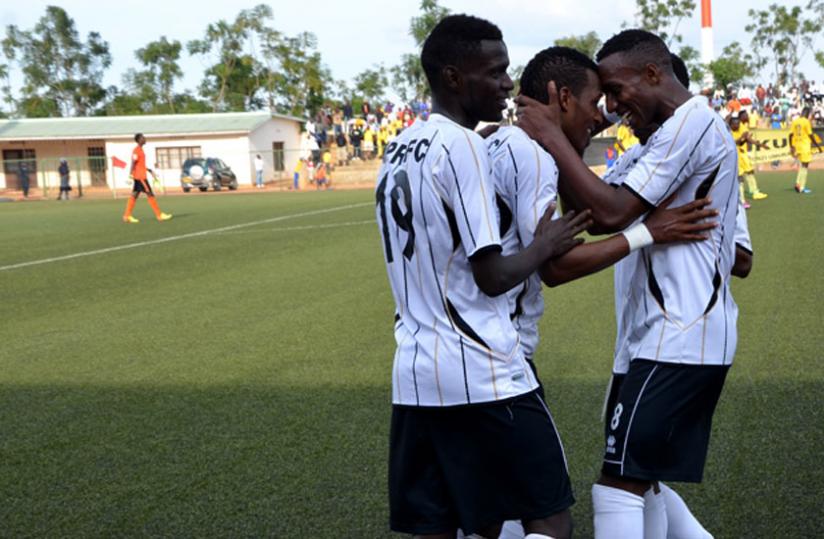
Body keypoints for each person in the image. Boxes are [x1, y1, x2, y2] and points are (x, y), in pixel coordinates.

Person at [378, 15, 596, 539]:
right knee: (550, 518)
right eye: (495, 72)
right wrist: (545, 245)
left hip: (414, 373)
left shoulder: (397, 148)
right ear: (454, 78)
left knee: (439, 525)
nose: (507, 83)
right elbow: (493, 276)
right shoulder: (465, 146)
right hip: (482, 368)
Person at [517, 29, 739, 538]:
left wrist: (552, 136)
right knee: (644, 484)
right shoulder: (655, 144)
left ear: (653, 74)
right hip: (651, 338)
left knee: (616, 489)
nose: (612, 108)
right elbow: (596, 213)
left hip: (683, 333)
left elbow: (615, 212)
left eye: (616, 91)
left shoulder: (694, 122)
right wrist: (561, 143)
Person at [122, 133, 172, 223]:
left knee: (134, 194)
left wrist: (149, 170)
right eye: (143, 138)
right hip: (140, 177)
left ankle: (127, 216)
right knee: (150, 194)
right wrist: (130, 175)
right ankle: (159, 215)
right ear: (139, 140)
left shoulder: (141, 150)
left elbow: (139, 164)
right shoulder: (136, 150)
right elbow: (133, 162)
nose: (145, 139)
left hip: (140, 176)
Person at [729, 112, 767, 207]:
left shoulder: (741, 128)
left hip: (742, 154)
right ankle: (742, 200)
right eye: (745, 115)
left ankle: (754, 192)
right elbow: (734, 142)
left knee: (749, 172)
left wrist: (758, 144)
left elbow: (743, 141)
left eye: (738, 124)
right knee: (740, 178)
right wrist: (743, 137)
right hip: (735, 157)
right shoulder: (729, 132)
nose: (737, 125)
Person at [789, 107, 822, 194]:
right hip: (805, 146)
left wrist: (791, 146)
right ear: (807, 113)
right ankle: (802, 187)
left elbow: (790, 135)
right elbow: (810, 135)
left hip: (797, 146)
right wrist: (818, 146)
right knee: (805, 166)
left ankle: (798, 183)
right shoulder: (806, 122)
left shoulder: (795, 121)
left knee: (802, 165)